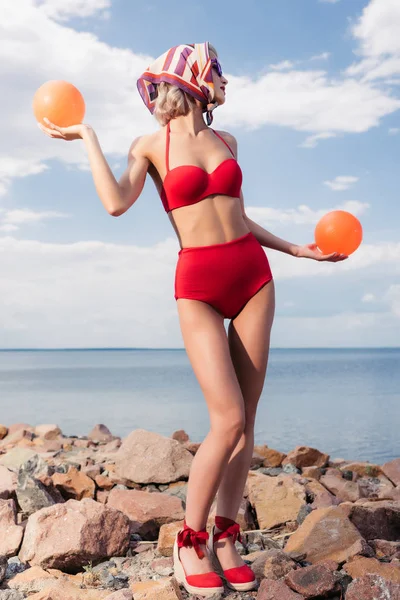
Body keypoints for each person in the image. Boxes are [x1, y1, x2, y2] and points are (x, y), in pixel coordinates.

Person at [38, 41, 347, 597]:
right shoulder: (151, 145)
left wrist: (297, 250)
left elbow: (239, 216)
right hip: (198, 286)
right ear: (196, 78)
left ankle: (227, 537)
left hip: (252, 278)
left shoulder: (226, 140)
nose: (225, 82)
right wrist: (87, 139)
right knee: (226, 418)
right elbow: (115, 203)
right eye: (218, 72)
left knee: (247, 419)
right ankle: (190, 540)